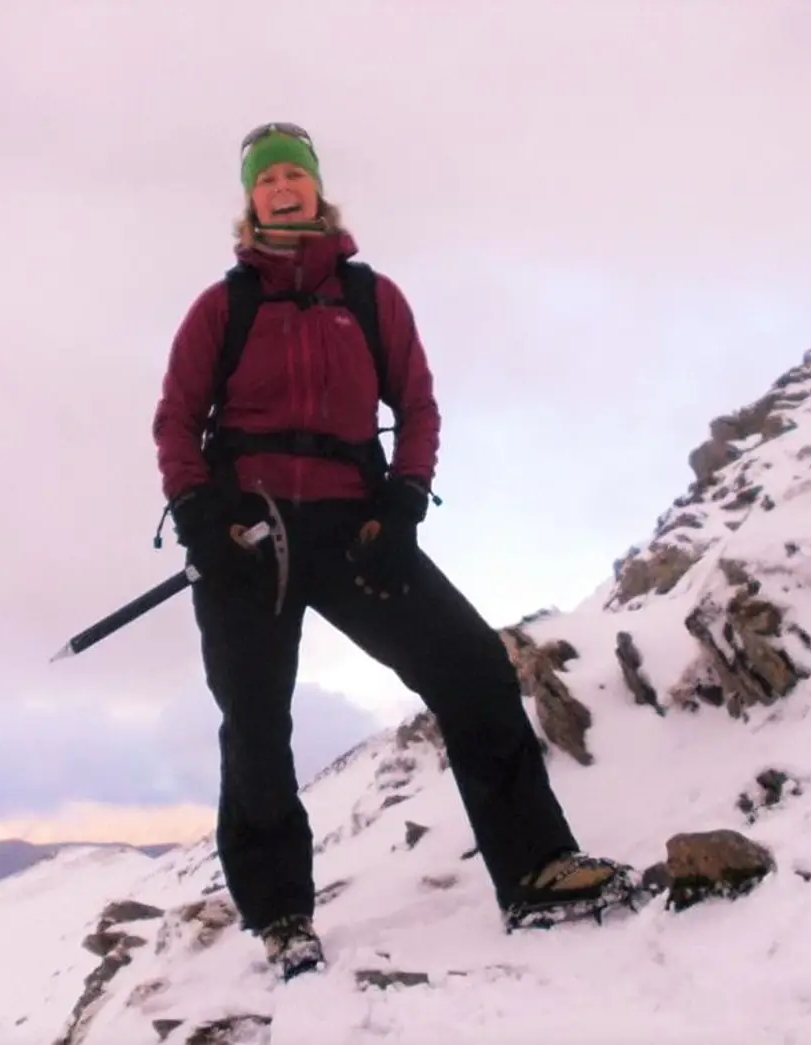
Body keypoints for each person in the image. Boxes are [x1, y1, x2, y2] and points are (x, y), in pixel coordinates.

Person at [151, 122, 633, 979]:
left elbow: (418, 407)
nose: (284, 188)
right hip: (246, 541)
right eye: (268, 181)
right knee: (256, 726)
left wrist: (404, 502)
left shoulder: (372, 299)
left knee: (474, 668)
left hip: (354, 530)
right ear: (251, 200)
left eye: (296, 174)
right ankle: (282, 919)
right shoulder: (221, 308)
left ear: (317, 188)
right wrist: (200, 519)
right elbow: (177, 422)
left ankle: (534, 870)